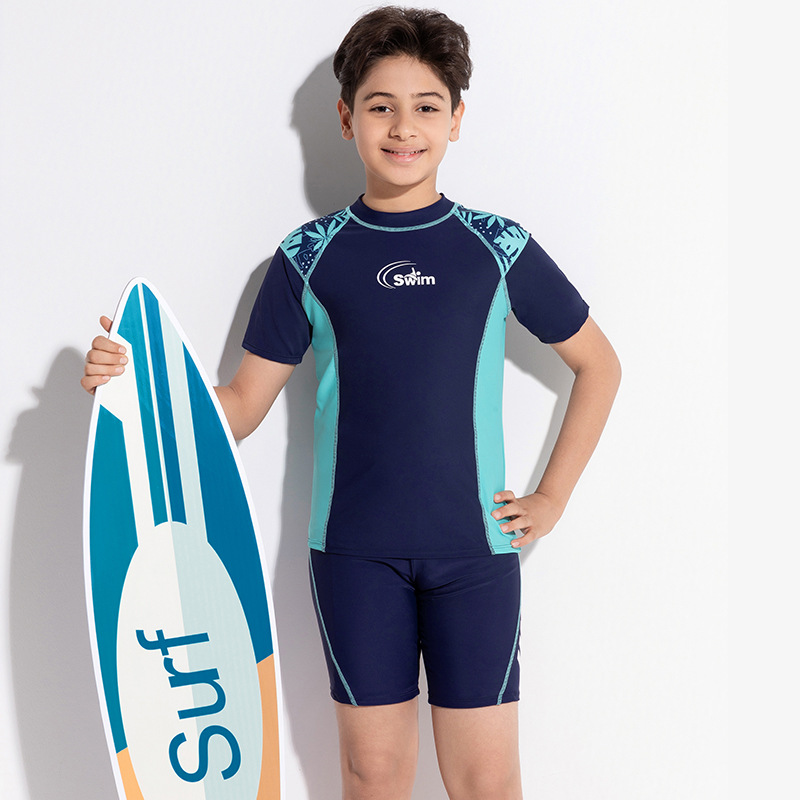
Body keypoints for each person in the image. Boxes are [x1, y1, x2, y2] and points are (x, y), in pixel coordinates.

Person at [82, 7, 621, 799]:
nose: (404, 127)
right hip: (354, 557)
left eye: (426, 106)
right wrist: (138, 388)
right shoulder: (307, 258)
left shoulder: (497, 248)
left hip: (475, 556)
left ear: (456, 119)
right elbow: (238, 409)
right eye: (380, 106)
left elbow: (599, 366)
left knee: (486, 779)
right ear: (346, 118)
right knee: (372, 774)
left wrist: (552, 499)